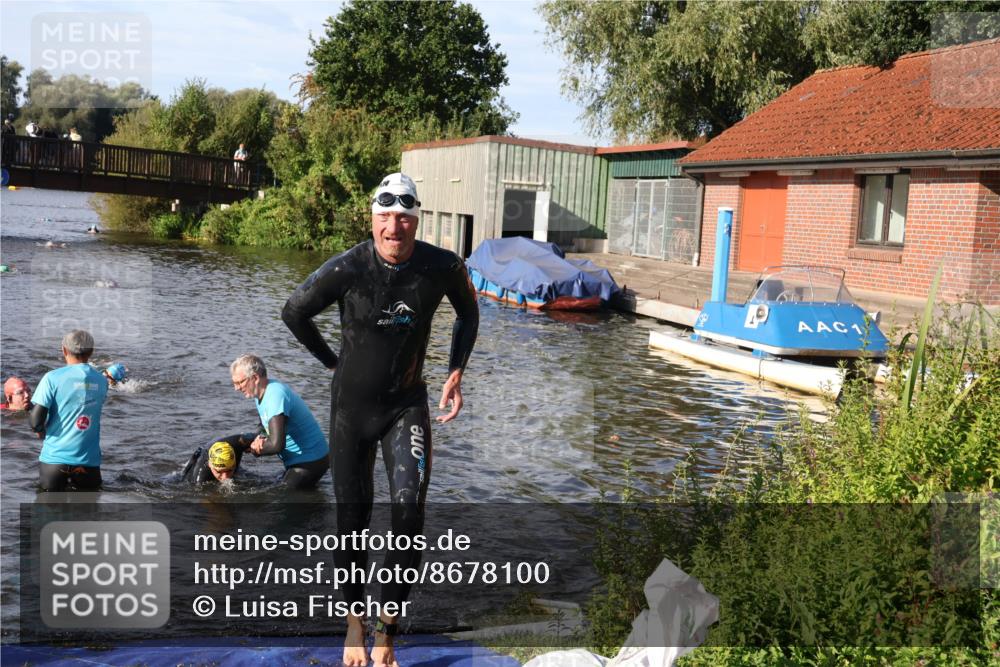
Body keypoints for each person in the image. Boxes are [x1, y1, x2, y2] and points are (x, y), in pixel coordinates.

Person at [281, 172, 479, 667]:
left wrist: (456, 372)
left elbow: (468, 313)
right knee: (353, 521)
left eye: (404, 219)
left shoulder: (442, 266)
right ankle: (354, 625)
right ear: (373, 220)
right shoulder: (349, 267)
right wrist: (331, 362)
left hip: (406, 404)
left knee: (409, 516)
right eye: (385, 218)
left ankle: (388, 629)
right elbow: (293, 312)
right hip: (350, 411)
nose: (395, 228)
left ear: (416, 221)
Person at [230, 354, 329, 490]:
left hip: (310, 461)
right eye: (234, 383)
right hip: (301, 460)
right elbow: (263, 424)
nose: (237, 388)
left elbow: (277, 445)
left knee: (281, 497)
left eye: (240, 382)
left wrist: (255, 449)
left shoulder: (275, 396)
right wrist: (260, 437)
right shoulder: (261, 392)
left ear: (255, 378)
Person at [29, 330, 109, 492]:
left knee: (49, 510)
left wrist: (39, 430)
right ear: (91, 352)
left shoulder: (52, 378)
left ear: (64, 350)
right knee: (87, 511)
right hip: (88, 462)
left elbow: (35, 420)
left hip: (54, 461)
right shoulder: (102, 380)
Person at [180, 433, 257, 484]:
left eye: (229, 470)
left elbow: (262, 433)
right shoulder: (201, 478)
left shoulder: (240, 442)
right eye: (219, 472)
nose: (225, 477)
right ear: (210, 465)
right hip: (203, 453)